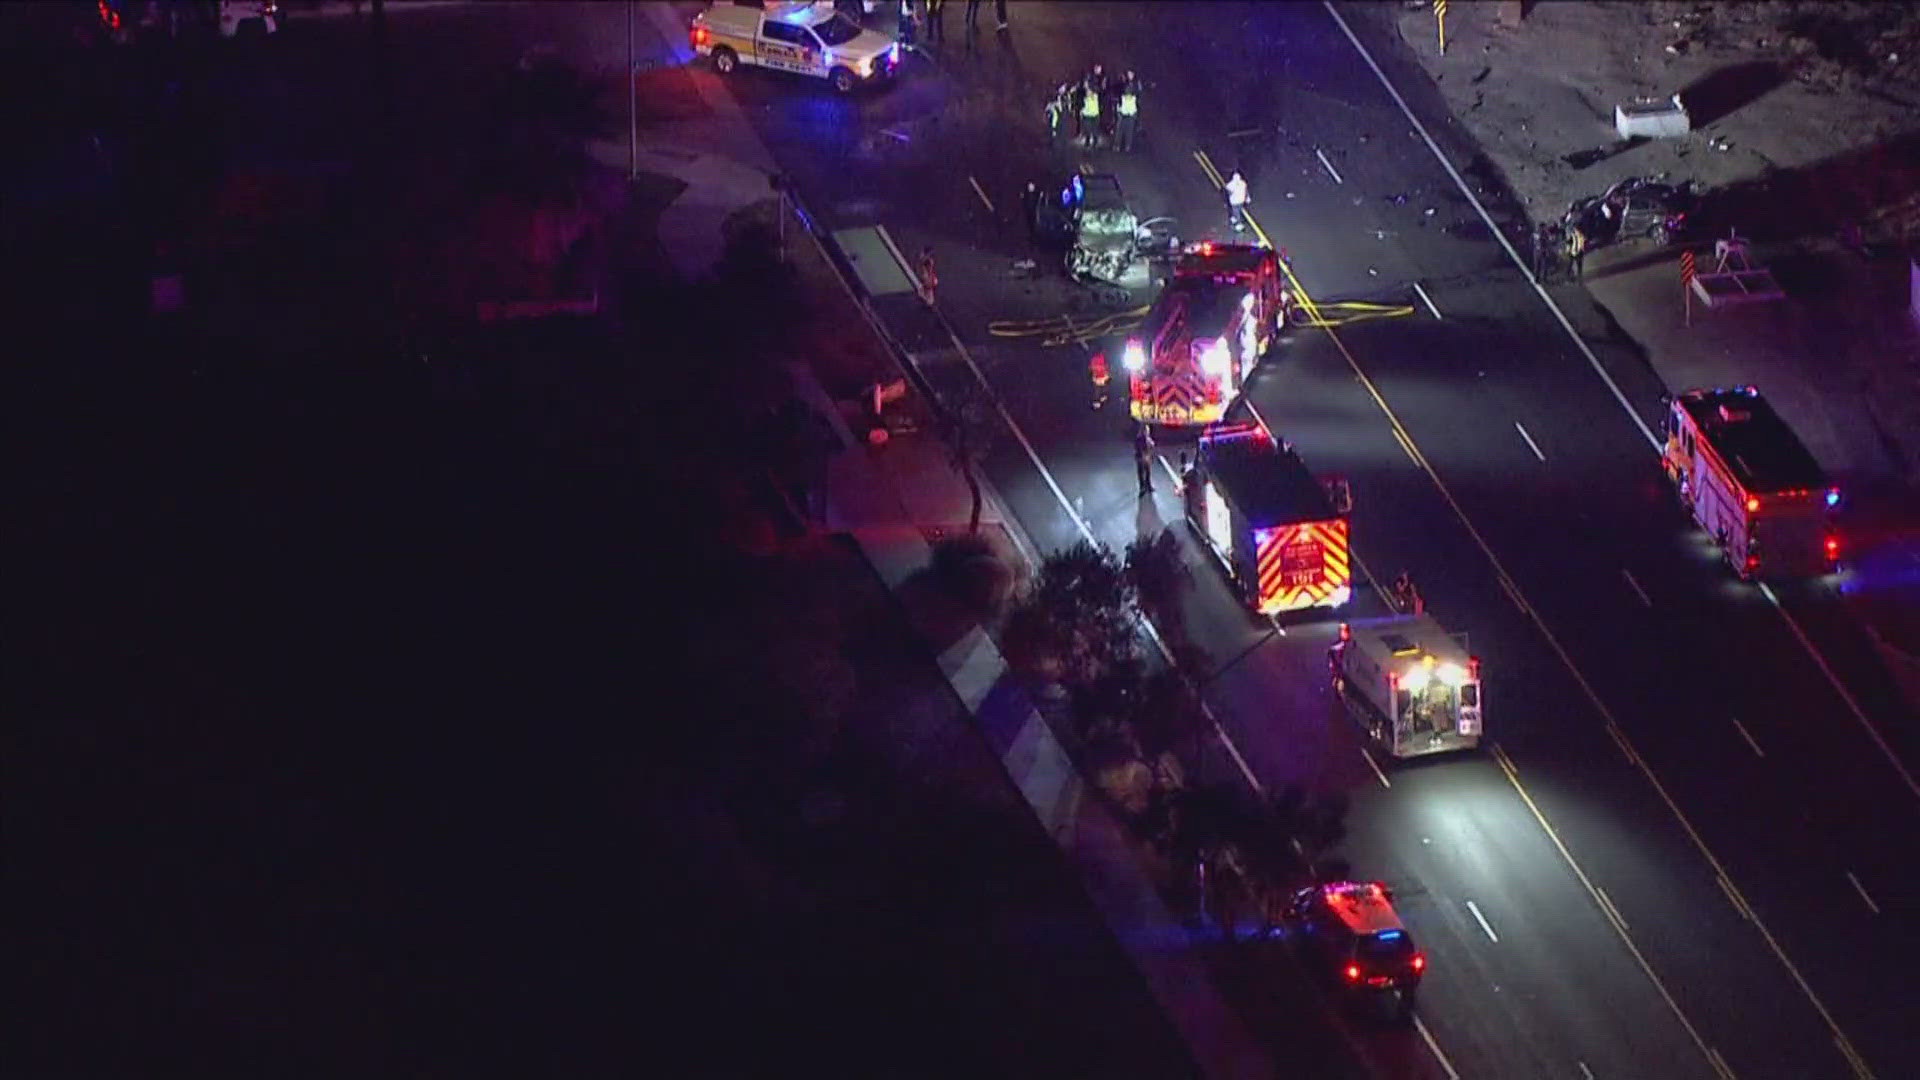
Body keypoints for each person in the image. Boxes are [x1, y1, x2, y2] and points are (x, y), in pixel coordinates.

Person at [1115, 72, 1140, 152]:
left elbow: (1136, 106)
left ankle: (1125, 146)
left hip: (1129, 115)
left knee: (1127, 131)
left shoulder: (1134, 97)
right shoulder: (1123, 97)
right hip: (1123, 115)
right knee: (1120, 131)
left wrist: (1134, 114)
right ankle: (1119, 145)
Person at [1078, 74, 1102, 148]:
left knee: (1095, 129)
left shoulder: (1095, 92)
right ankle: (1087, 141)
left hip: (1094, 113)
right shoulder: (1082, 93)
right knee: (1087, 129)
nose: (1085, 84)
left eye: (1086, 83)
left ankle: (1095, 141)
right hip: (1087, 114)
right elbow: (1081, 103)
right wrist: (1081, 110)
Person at [1134, 423, 1156, 496]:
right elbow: (1138, 448)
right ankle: (1142, 487)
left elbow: (1151, 447)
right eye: (1146, 430)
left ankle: (1148, 485)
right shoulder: (1139, 438)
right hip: (1141, 458)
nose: (1148, 431)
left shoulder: (1148, 438)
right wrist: (1143, 455)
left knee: (1148, 473)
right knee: (1141, 473)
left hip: (1147, 457)